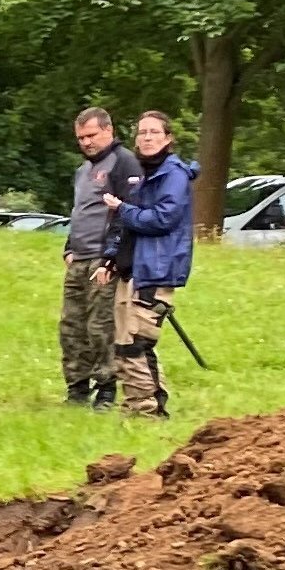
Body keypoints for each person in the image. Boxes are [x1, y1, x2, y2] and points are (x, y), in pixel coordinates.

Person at [101, 110, 197, 418]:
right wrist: (111, 259)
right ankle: (134, 405)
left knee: (137, 343)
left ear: (168, 138)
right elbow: (124, 225)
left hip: (156, 270)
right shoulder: (137, 174)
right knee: (122, 343)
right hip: (130, 269)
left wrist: (123, 209)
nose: (147, 137)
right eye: (142, 132)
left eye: (154, 132)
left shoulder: (173, 174)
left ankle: (150, 411)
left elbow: (162, 218)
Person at [56, 107, 139, 407]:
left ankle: (106, 388)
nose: (86, 142)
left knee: (99, 326)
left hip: (104, 260)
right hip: (78, 258)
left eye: (91, 135)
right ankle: (76, 388)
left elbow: (127, 212)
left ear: (109, 130)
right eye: (81, 138)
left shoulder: (124, 163)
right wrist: (68, 247)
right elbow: (80, 212)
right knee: (71, 326)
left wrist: (112, 257)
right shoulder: (83, 170)